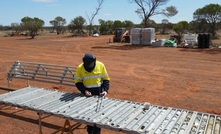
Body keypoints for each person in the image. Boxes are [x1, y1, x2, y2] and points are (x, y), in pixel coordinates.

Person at [74, 52, 110, 134]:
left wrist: (105, 90)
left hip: (98, 95)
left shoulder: (100, 65)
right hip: (87, 96)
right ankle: (90, 130)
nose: (89, 66)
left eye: (90, 65)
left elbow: (106, 79)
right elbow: (78, 82)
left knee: (97, 118)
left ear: (94, 61)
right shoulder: (80, 68)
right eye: (87, 65)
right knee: (88, 116)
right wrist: (84, 91)